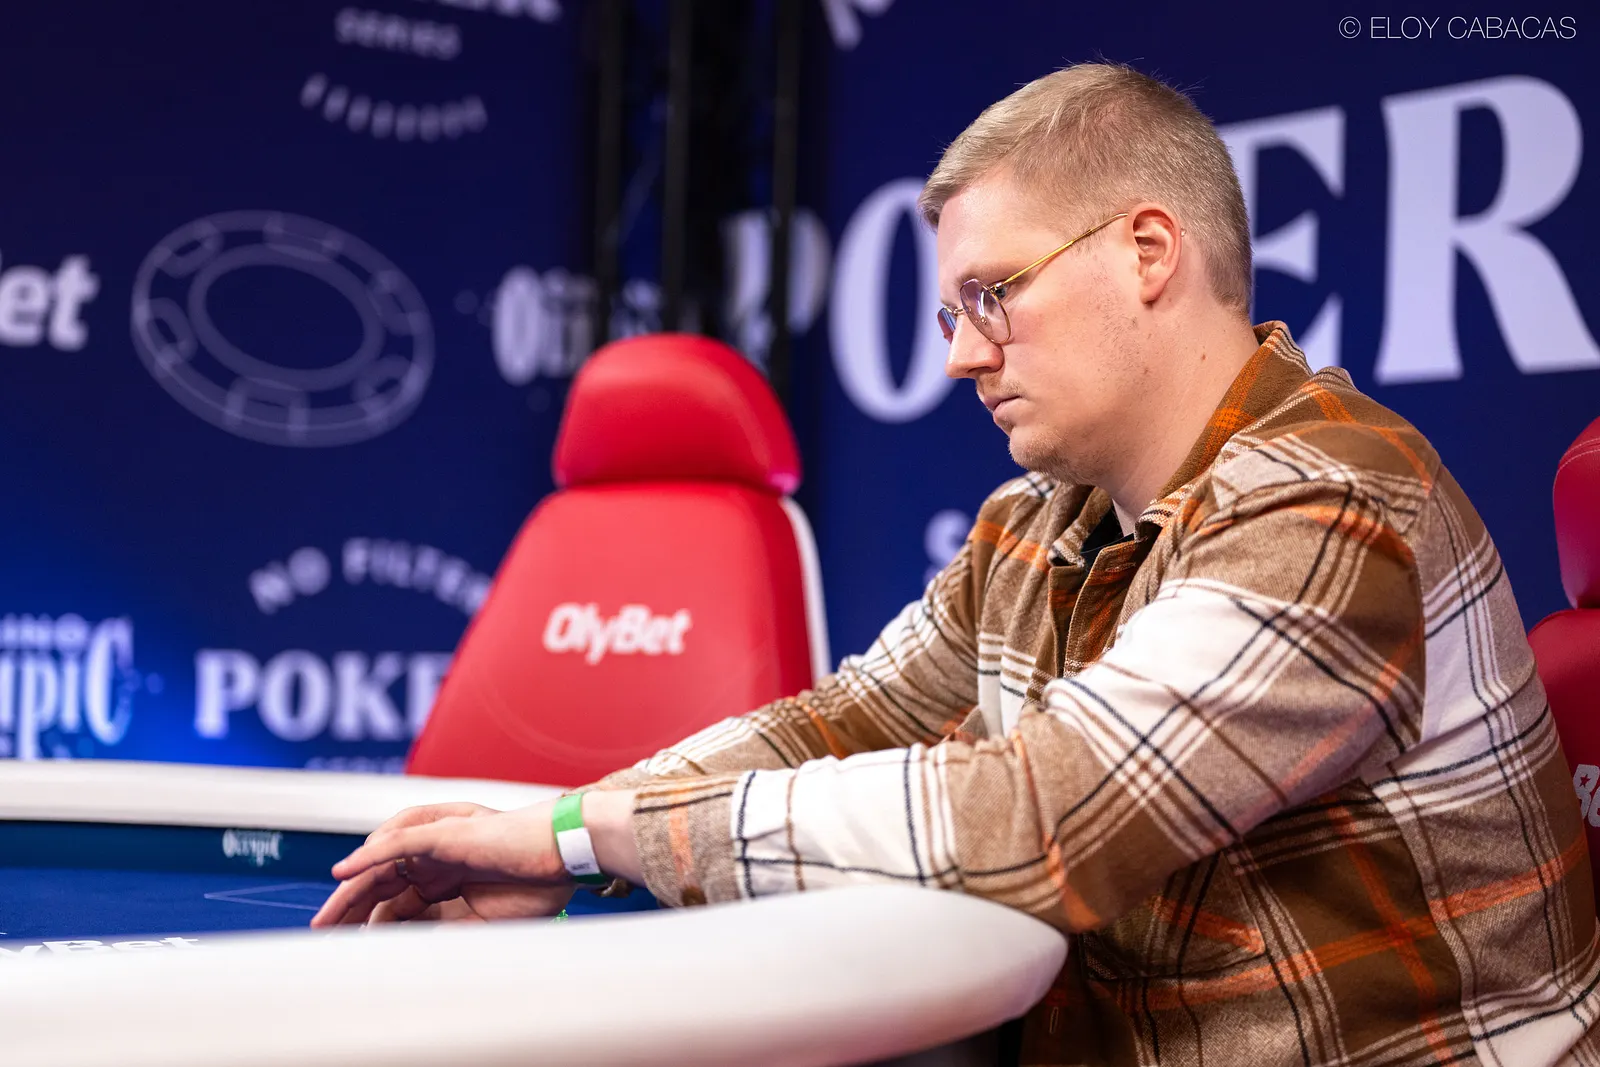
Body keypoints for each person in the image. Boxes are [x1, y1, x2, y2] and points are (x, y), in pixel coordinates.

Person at [312, 63, 1600, 1065]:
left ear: (1149, 253)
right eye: (951, 310)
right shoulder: (1033, 524)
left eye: (994, 295)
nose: (960, 356)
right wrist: (558, 833)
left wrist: (581, 832)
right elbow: (842, 722)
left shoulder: (1331, 503)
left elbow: (1040, 817)